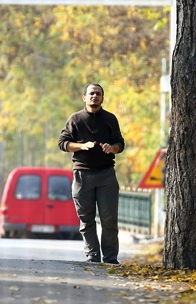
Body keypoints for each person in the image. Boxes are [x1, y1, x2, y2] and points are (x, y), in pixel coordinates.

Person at [57, 83, 125, 264]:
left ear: (103, 98)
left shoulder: (110, 119)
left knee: (109, 220)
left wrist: (112, 148)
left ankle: (110, 258)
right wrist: (81, 146)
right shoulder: (75, 119)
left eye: (98, 94)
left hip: (106, 175)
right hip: (82, 176)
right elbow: (62, 143)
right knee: (86, 220)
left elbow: (120, 143)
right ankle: (92, 257)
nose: (94, 96)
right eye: (91, 94)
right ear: (84, 97)